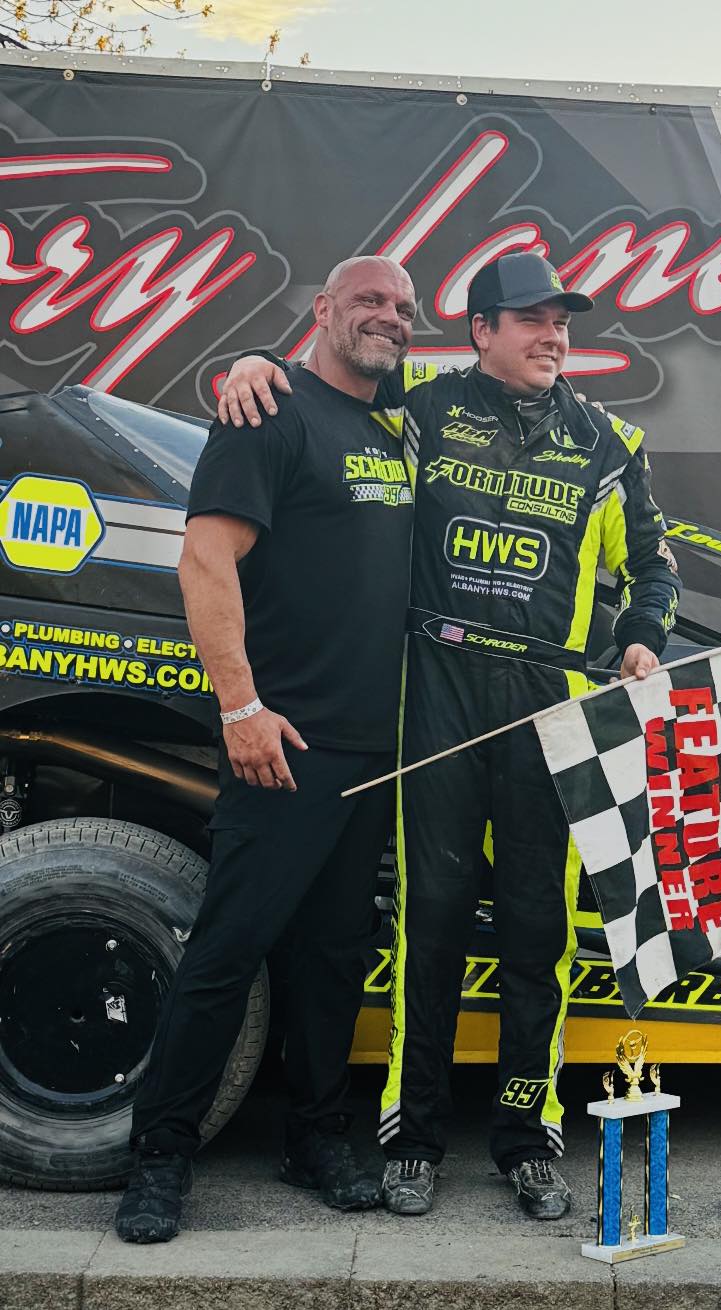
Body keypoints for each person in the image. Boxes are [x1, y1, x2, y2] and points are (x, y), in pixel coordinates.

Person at [218, 251, 681, 1221]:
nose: (553, 336)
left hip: (548, 704)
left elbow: (655, 568)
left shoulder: (610, 440)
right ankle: (413, 1134)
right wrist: (252, 360)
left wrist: (641, 638)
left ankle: (525, 1136)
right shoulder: (420, 405)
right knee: (425, 920)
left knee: (535, 932)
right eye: (530, 320)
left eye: (561, 322)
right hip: (431, 689)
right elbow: (322, 389)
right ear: (479, 331)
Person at [114, 256, 418, 1243]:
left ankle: (315, 1133)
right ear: (322, 311)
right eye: (368, 299)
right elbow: (205, 556)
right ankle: (160, 1150)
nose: (389, 316)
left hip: (378, 750)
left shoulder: (397, 423)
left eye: (404, 307)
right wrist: (240, 707)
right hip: (285, 743)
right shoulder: (270, 410)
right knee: (229, 949)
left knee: (335, 956)